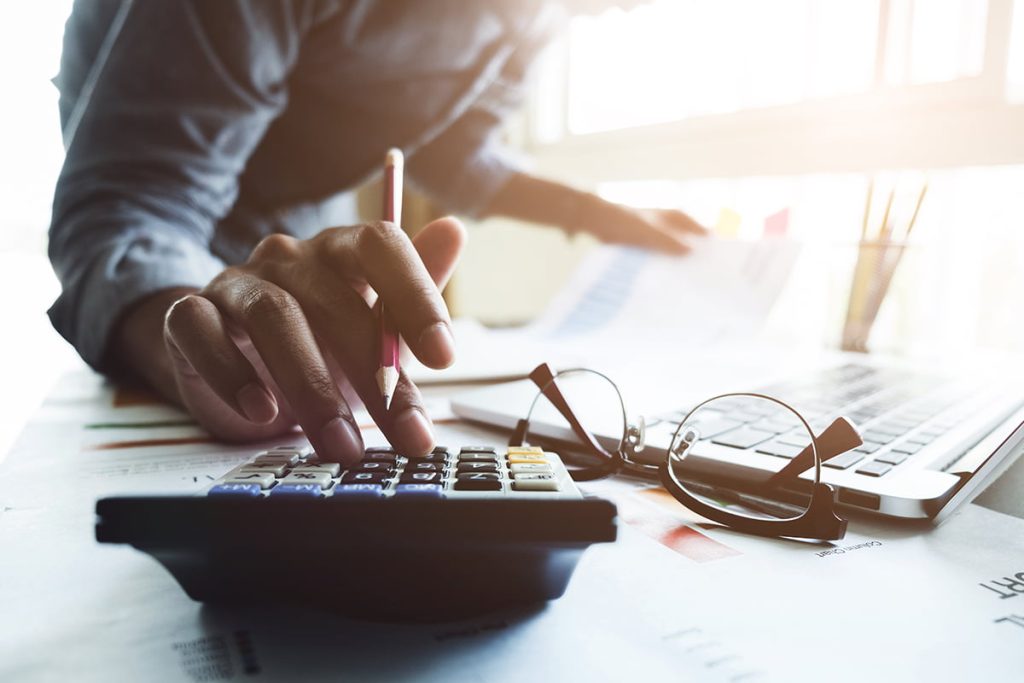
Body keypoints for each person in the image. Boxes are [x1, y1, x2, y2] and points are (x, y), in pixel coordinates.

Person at [49, 0, 705, 464]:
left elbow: (455, 149)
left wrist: (591, 212)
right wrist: (186, 337)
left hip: (295, 264)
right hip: (176, 288)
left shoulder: (539, 14)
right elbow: (127, 203)